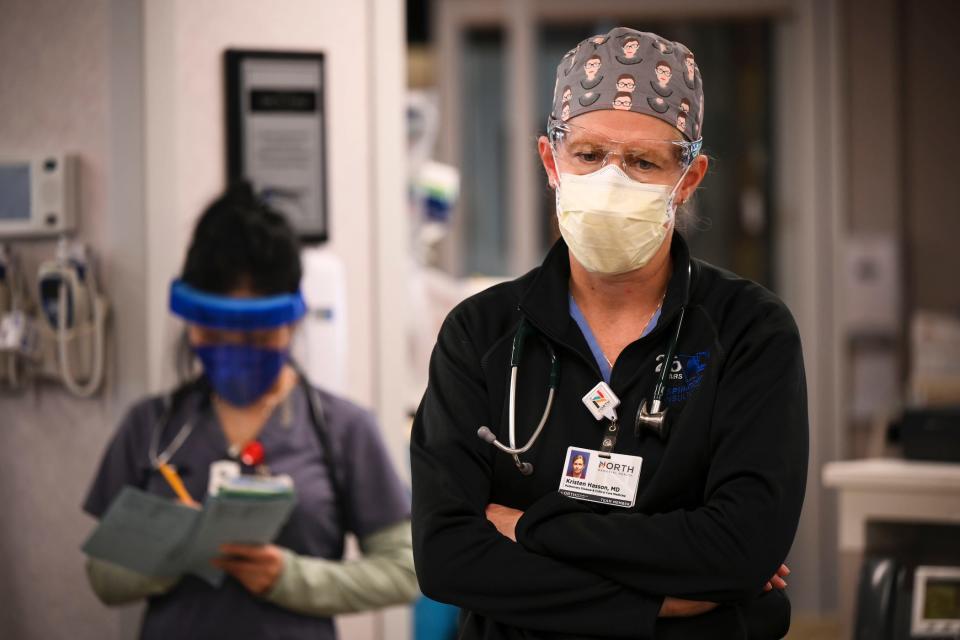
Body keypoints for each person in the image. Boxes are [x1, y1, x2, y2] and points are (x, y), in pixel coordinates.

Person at [411, 26, 806, 639]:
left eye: (644, 161)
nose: (611, 181)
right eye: (589, 156)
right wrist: (658, 606)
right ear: (551, 161)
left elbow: (738, 549)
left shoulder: (748, 332)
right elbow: (446, 556)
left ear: (690, 178)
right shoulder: (480, 333)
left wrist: (532, 527)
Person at [83, 183, 418, 639]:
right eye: (216, 335)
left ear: (293, 321)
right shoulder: (152, 426)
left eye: (258, 337)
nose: (236, 351)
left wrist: (290, 579)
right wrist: (176, 552)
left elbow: (406, 571)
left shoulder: (342, 430)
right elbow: (103, 577)